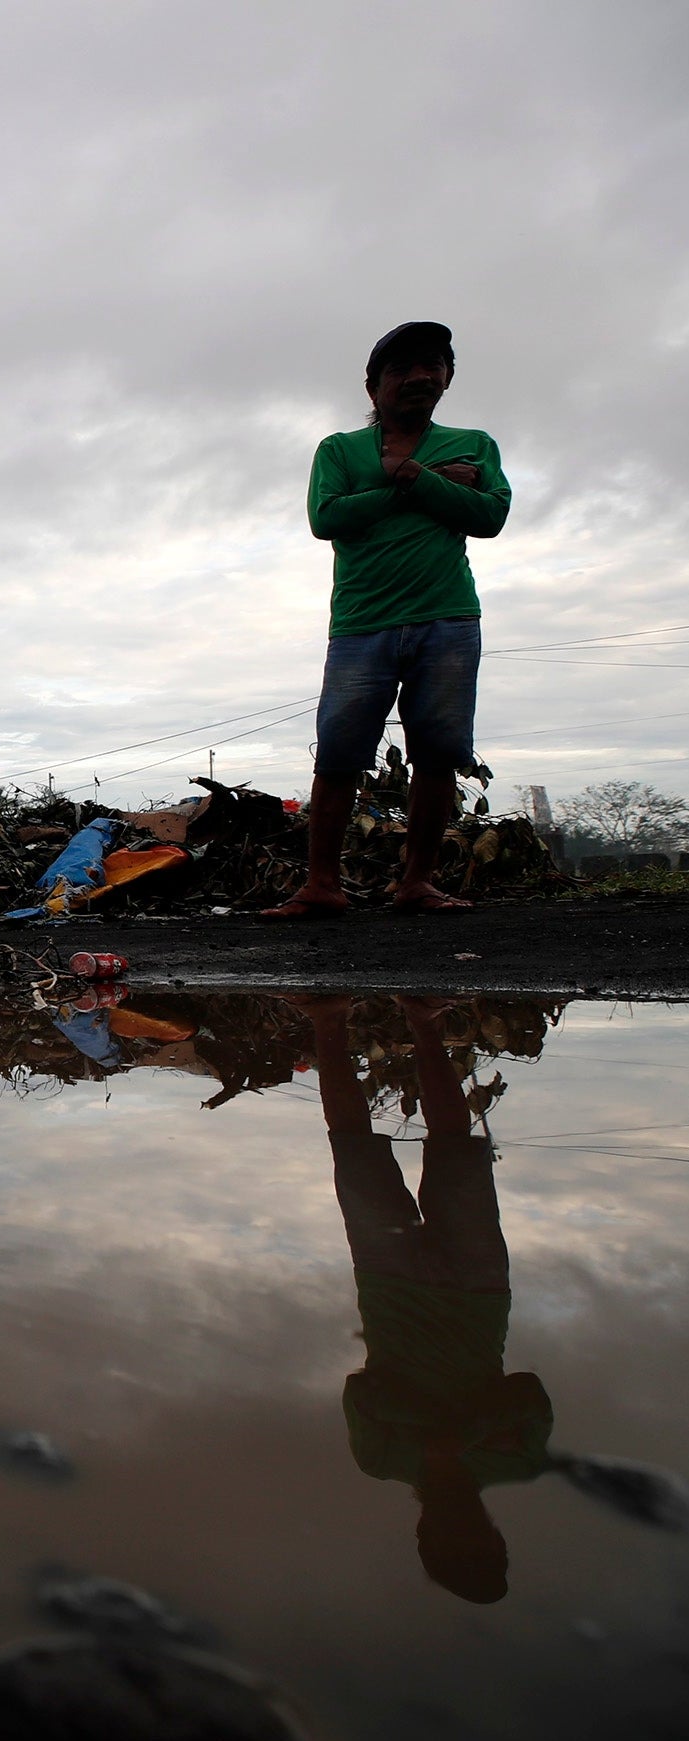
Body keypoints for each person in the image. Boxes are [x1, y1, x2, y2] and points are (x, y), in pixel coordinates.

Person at [298, 994, 552, 1604]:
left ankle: (326, 1020)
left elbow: (361, 1392)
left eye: (452, 1546)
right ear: (498, 1539)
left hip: (388, 1283)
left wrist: (445, 1435)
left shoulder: (382, 1459)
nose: (466, 1532)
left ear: (424, 1535)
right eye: (482, 1545)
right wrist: (457, 1435)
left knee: (352, 1147)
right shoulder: (516, 1461)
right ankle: (424, 1019)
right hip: (478, 1287)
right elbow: (529, 1391)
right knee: (453, 1144)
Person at [265, 323, 510, 919]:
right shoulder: (337, 450)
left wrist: (411, 477)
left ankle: (416, 885)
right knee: (339, 753)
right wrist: (416, 486)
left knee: (437, 753)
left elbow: (491, 515)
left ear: (447, 377)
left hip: (448, 619)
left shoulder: (473, 442)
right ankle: (322, 885)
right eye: (400, 369)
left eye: (432, 365)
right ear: (373, 388)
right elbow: (327, 518)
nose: (419, 377)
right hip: (361, 623)